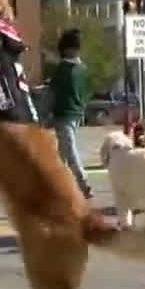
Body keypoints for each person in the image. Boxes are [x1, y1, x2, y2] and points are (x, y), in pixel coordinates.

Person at [48, 28, 93, 199]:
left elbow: (52, 91)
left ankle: (83, 183)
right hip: (76, 114)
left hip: (63, 114)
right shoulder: (84, 69)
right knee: (63, 152)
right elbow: (89, 91)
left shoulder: (62, 69)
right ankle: (61, 186)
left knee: (68, 150)